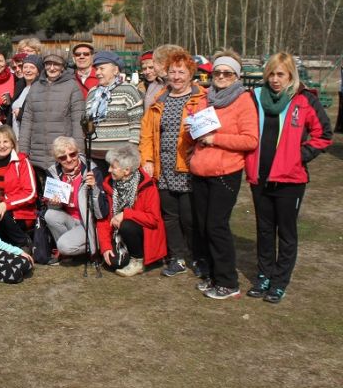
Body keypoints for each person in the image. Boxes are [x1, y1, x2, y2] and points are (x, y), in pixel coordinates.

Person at [244, 52, 332, 303]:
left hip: (290, 179)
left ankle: (280, 281)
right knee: (264, 230)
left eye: (280, 74)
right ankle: (264, 276)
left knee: (286, 232)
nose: (274, 79)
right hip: (259, 176)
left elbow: (323, 134)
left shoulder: (304, 100)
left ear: (290, 75)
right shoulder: (255, 98)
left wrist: (300, 155)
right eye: (270, 73)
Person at [190, 51, 259, 300]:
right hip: (200, 170)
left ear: (236, 77)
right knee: (202, 227)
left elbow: (250, 139)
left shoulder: (243, 101)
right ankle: (212, 275)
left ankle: (228, 281)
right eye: (217, 72)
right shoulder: (205, 98)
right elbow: (196, 128)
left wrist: (215, 139)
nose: (220, 77)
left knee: (216, 226)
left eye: (227, 73)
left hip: (224, 172)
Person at [138, 50, 205, 277]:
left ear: (190, 74)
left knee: (189, 216)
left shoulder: (200, 99)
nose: (176, 77)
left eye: (181, 72)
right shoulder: (159, 100)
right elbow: (146, 134)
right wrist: (146, 159)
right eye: (172, 72)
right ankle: (176, 257)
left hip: (187, 167)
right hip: (163, 166)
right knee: (170, 216)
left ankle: (197, 256)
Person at [97, 145, 166, 276]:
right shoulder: (108, 185)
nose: (108, 170)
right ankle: (127, 253)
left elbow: (153, 219)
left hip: (141, 231)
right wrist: (105, 246)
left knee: (127, 225)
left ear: (126, 170)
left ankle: (138, 260)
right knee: (113, 262)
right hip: (117, 232)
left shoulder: (147, 186)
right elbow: (103, 218)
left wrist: (126, 214)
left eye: (113, 167)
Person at [18, 52, 85, 169]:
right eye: (48, 64)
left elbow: (78, 122)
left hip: (62, 155)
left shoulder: (72, 86)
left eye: (56, 64)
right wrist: (23, 152)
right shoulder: (35, 87)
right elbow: (27, 122)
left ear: (63, 67)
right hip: (36, 155)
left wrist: (79, 153)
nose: (52, 68)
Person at [44, 137, 106, 259]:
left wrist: (94, 188)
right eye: (63, 157)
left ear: (78, 152)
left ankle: (94, 246)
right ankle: (71, 250)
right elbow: (54, 207)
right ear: (57, 159)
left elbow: (101, 213)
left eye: (72, 154)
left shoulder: (91, 171)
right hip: (70, 219)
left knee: (63, 246)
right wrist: (54, 203)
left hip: (87, 222)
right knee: (50, 214)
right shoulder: (54, 173)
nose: (69, 159)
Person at [0, 125, 37, 249]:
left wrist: (6, 204)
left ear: (12, 143)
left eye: (6, 141)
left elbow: (31, 193)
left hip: (19, 213)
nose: (2, 145)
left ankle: (23, 243)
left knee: (1, 214)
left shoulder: (22, 162)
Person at [85, 50, 144, 173]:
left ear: (115, 70)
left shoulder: (128, 90)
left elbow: (137, 124)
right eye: (96, 69)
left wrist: (130, 153)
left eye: (102, 69)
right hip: (94, 155)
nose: (97, 73)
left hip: (119, 158)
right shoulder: (92, 93)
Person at [11, 54, 42, 137]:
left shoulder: (40, 89)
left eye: (32, 67)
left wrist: (20, 114)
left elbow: (40, 116)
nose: (28, 70)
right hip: (16, 137)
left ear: (38, 72)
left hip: (31, 138)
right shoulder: (21, 87)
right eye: (25, 67)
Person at [144, 44, 183, 111]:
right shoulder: (153, 85)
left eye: (154, 61)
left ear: (163, 63)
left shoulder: (179, 86)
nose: (153, 65)